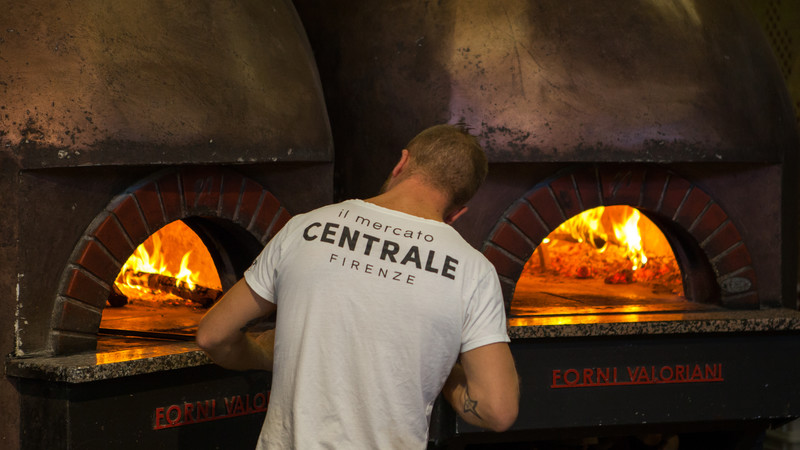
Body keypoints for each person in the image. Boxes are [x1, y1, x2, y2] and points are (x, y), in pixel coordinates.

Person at [196, 123, 519, 449]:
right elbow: (496, 410)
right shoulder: (474, 271)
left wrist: (265, 353)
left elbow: (212, 335)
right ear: (457, 213)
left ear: (401, 164)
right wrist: (445, 371)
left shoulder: (305, 227)